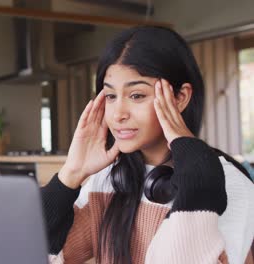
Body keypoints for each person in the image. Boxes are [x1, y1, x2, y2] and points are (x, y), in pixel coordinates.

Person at [42, 26, 254, 264]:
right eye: (111, 96)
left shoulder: (229, 184)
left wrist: (196, 180)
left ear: (180, 97)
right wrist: (70, 175)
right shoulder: (108, 180)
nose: (118, 114)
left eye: (137, 95)